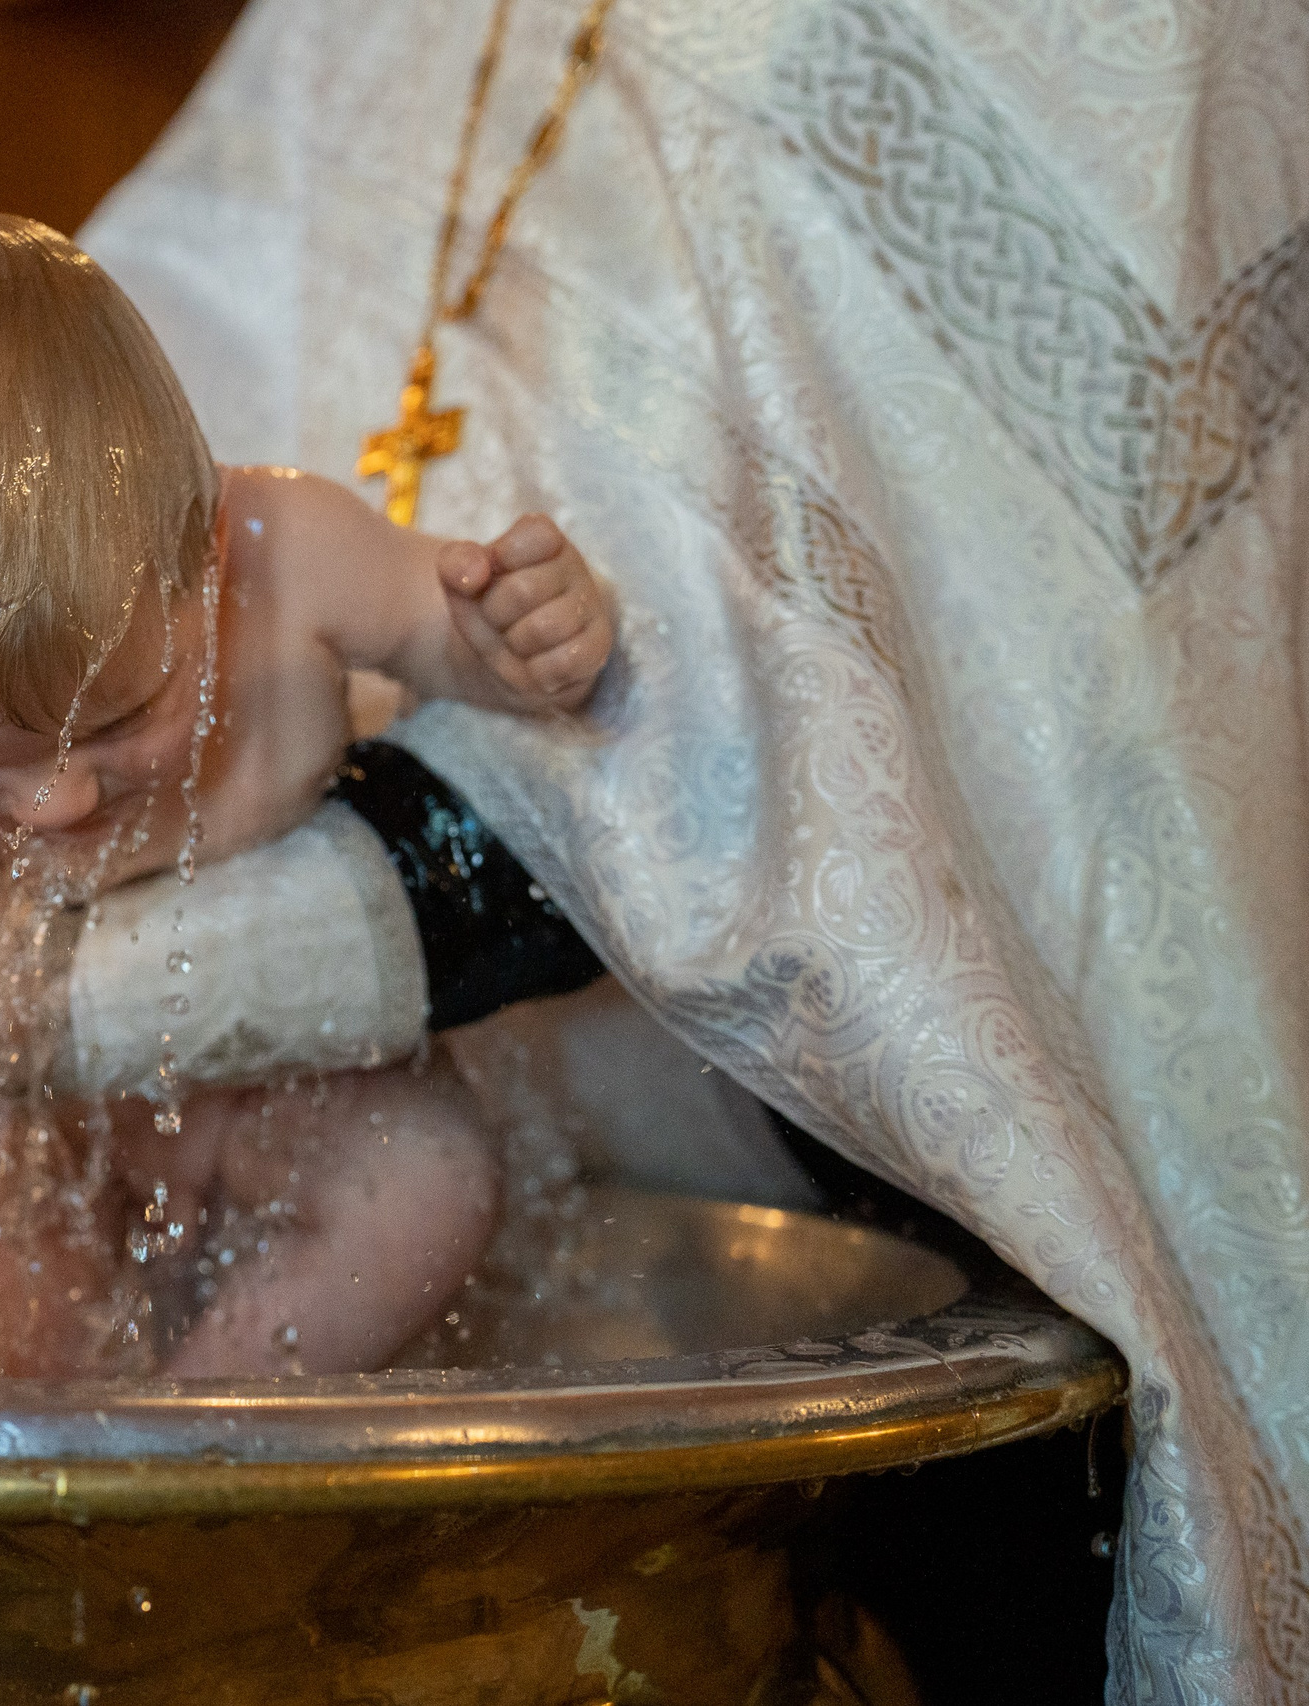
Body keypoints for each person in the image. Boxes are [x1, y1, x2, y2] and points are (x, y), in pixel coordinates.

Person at [65, 0, 1308, 1691]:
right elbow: (125, 356)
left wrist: (115, 991)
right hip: (424, 1126)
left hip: (897, 1191)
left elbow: (882, 630)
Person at [0, 214, 615, 1377]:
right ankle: (55, 1471)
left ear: (204, 553)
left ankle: (203, 1422)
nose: (60, 799)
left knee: (427, 1179)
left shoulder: (283, 557)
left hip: (273, 1094)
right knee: (6, 1322)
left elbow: (447, 631)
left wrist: (523, 640)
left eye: (120, 719)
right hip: (17, 1135)